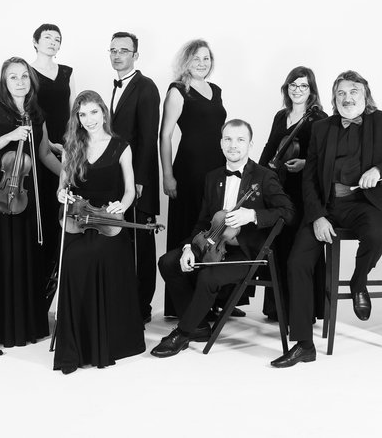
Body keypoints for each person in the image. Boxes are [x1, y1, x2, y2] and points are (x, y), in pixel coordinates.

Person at [272, 71, 382, 368]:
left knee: (375, 234)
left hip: (365, 204)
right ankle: (304, 344)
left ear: (365, 95)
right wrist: (318, 216)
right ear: (334, 99)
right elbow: (310, 178)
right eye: (341, 93)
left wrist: (379, 171)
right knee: (297, 262)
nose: (347, 98)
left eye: (353, 92)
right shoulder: (322, 128)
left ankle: (358, 281)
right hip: (328, 207)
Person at [153, 119, 295, 358]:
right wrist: (188, 247)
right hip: (212, 243)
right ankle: (198, 325)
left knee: (208, 276)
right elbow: (203, 221)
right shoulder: (212, 177)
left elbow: (288, 212)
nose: (233, 145)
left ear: (250, 144)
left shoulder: (264, 176)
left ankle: (183, 333)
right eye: (228, 139)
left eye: (240, 140)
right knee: (168, 262)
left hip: (246, 252)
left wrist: (252, 215)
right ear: (221, 143)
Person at [52, 91, 145, 373]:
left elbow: (130, 190)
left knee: (95, 253)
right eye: (82, 114)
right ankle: (75, 346)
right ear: (77, 118)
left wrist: (122, 206)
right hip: (78, 220)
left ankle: (106, 342)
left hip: (109, 222)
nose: (89, 119)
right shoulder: (72, 146)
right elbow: (62, 188)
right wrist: (61, 196)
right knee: (73, 259)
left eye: (93, 112)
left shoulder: (121, 146)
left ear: (103, 113)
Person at [0, 57, 62, 348]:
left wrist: (69, 175)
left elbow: (44, 154)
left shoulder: (37, 114)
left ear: (31, 81)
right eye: (13, 77)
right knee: (1, 255)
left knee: (25, 255)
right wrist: (10, 135)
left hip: (27, 191)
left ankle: (24, 325)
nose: (20, 81)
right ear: (5, 82)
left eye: (24, 76)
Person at [159, 39, 226, 317]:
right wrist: (168, 175)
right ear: (186, 61)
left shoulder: (216, 90)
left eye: (206, 58)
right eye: (196, 58)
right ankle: (183, 304)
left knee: (215, 231)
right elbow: (165, 135)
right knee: (189, 231)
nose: (202, 63)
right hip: (189, 170)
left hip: (216, 169)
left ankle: (214, 300)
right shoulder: (178, 90)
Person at [257, 66, 328, 322]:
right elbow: (269, 149)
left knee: (298, 247)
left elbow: (325, 158)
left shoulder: (319, 118)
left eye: (303, 85)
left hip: (302, 191)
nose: (297, 90)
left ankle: (303, 309)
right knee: (277, 243)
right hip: (278, 188)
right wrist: (257, 176)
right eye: (293, 85)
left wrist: (304, 164)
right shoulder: (280, 116)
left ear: (311, 90)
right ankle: (277, 308)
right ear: (287, 88)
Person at [107, 32, 162, 323]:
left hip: (140, 182)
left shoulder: (146, 87)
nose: (117, 55)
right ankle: (125, 304)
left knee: (142, 245)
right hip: (120, 179)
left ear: (135, 55)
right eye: (113, 50)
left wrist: (139, 180)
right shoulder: (116, 86)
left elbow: (149, 136)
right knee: (123, 241)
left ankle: (142, 308)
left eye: (124, 50)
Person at [31, 24, 76, 308]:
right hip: (39, 143)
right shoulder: (27, 72)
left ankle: (55, 289)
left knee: (62, 215)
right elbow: (28, 108)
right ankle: (37, 292)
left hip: (66, 146)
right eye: (47, 37)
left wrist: (71, 143)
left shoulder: (67, 72)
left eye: (57, 39)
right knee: (44, 215)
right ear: (35, 42)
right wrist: (45, 143)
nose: (52, 42)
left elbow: (72, 111)